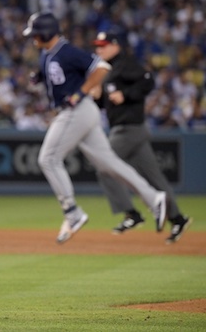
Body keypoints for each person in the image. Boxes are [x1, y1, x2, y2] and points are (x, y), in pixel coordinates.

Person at [22, 12, 167, 244]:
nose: (33, 38)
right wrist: (39, 77)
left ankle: (72, 212)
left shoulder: (66, 50)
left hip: (76, 111)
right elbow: (54, 72)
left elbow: (101, 68)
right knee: (109, 164)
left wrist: (80, 92)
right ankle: (154, 198)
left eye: (35, 33)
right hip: (81, 113)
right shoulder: (47, 53)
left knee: (48, 159)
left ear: (46, 32)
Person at [91, 26, 192, 243]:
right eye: (97, 47)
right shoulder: (109, 69)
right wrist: (97, 97)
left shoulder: (125, 64)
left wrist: (126, 95)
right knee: (155, 178)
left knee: (104, 167)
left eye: (103, 46)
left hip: (128, 128)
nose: (99, 50)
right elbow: (109, 101)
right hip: (130, 129)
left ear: (115, 46)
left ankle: (131, 213)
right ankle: (178, 219)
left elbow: (148, 80)